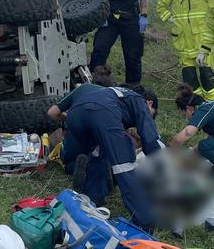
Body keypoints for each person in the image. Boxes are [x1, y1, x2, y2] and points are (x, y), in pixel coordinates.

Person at [57, 84, 163, 230]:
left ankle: (92, 201)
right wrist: (161, 165)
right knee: (124, 165)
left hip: (75, 116)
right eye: (153, 115)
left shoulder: (115, 94)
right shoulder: (139, 100)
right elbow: (149, 137)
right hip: (102, 114)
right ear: (149, 104)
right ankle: (146, 220)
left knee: (98, 154)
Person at [156, 0, 214, 101]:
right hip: (184, 46)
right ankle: (197, 104)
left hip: (203, 46)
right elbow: (160, 5)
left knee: (208, 80)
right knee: (190, 81)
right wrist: (169, 17)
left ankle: (213, 104)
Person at [47, 65, 115, 182]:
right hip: (98, 148)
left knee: (69, 163)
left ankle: (79, 168)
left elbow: (52, 113)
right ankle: (101, 170)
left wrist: (69, 118)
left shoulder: (82, 89)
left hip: (72, 149)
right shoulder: (112, 97)